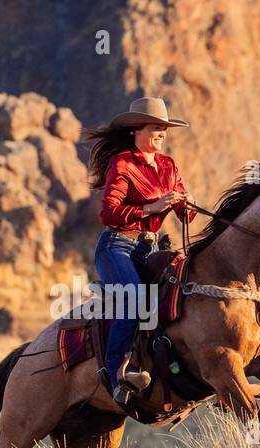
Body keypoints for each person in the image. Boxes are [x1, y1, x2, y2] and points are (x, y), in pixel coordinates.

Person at [82, 97, 195, 405]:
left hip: (150, 248)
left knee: (181, 292)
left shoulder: (169, 165)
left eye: (164, 128)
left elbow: (187, 215)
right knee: (134, 296)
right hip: (117, 245)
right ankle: (115, 371)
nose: (162, 133)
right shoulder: (123, 163)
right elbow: (108, 213)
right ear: (136, 130)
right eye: (155, 127)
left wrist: (185, 206)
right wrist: (152, 207)